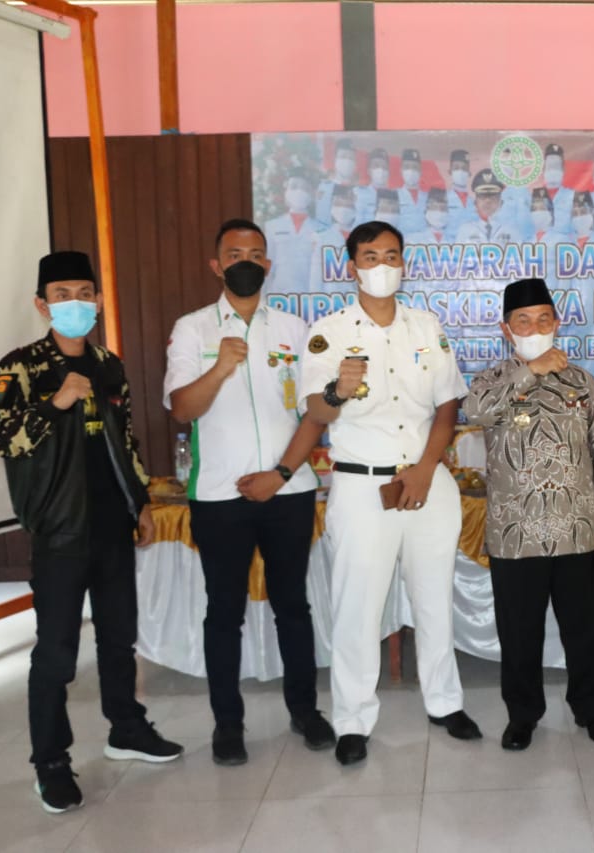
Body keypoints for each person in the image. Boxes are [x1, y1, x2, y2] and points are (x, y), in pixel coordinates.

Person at [0, 251, 182, 814]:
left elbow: (125, 439)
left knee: (119, 637)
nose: (74, 303)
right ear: (42, 303)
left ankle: (127, 728)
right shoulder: (19, 367)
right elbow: (8, 440)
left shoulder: (108, 364)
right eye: (62, 295)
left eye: (83, 293)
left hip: (113, 521)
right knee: (56, 652)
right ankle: (50, 762)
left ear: (97, 300)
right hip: (59, 527)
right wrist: (56, 402)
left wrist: (141, 503)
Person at [301, 221, 481, 765]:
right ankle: (353, 719)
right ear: (351, 266)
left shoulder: (425, 326)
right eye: (370, 256)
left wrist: (426, 468)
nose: (382, 266)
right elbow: (316, 411)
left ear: (405, 262)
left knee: (434, 598)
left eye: (391, 255)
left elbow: (448, 404)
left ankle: (445, 702)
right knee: (357, 607)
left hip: (428, 480)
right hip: (362, 486)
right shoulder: (328, 332)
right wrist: (338, 390)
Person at [164, 219, 335, 766]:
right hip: (219, 495)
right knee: (224, 613)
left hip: (288, 488)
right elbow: (182, 408)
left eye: (256, 253)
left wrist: (279, 474)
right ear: (216, 265)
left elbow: (314, 414)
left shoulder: (294, 328)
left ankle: (305, 711)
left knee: (293, 607)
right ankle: (228, 724)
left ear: (268, 265)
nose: (246, 261)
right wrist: (221, 367)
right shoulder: (192, 329)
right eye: (235, 253)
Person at [464, 278, 594, 751]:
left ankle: (592, 711)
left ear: (557, 323)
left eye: (543, 319)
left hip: (577, 527)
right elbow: (475, 413)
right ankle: (522, 716)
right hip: (516, 532)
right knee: (519, 633)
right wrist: (530, 371)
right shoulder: (492, 380)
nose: (534, 329)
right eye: (523, 321)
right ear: (506, 329)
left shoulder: (581, 382)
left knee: (584, 630)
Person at [264, 172, 328, 294]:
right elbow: (268, 267)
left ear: (312, 194)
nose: (299, 192)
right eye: (294, 187)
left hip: (311, 295)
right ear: (286, 191)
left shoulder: (322, 229)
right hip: (279, 295)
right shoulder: (272, 226)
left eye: (305, 188)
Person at [308, 184, 358, 293]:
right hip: (330, 299)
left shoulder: (364, 238)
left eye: (348, 205)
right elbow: (315, 279)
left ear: (355, 209)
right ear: (331, 207)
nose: (343, 209)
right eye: (338, 204)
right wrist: (315, 300)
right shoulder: (321, 237)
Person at [455, 168, 522, 245]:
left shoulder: (512, 231)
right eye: (483, 196)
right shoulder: (465, 231)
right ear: (475, 203)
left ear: (501, 202)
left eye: (493, 196)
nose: (488, 201)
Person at [316, 138, 362, 225]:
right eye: (343, 156)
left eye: (351, 158)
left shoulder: (359, 190)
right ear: (335, 159)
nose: (347, 161)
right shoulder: (324, 187)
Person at [541, 142, 576, 236]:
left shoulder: (573, 197)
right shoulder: (534, 198)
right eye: (550, 166)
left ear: (563, 169)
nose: (553, 171)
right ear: (543, 169)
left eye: (556, 166)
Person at [445, 149, 478, 240]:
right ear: (450, 171)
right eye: (456, 168)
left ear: (469, 173)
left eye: (464, 168)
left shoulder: (474, 203)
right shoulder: (443, 200)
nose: (460, 171)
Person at [396, 148, 427, 234]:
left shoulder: (428, 197)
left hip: (424, 240)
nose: (411, 171)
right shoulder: (394, 195)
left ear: (421, 171)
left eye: (415, 167)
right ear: (401, 170)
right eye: (407, 167)